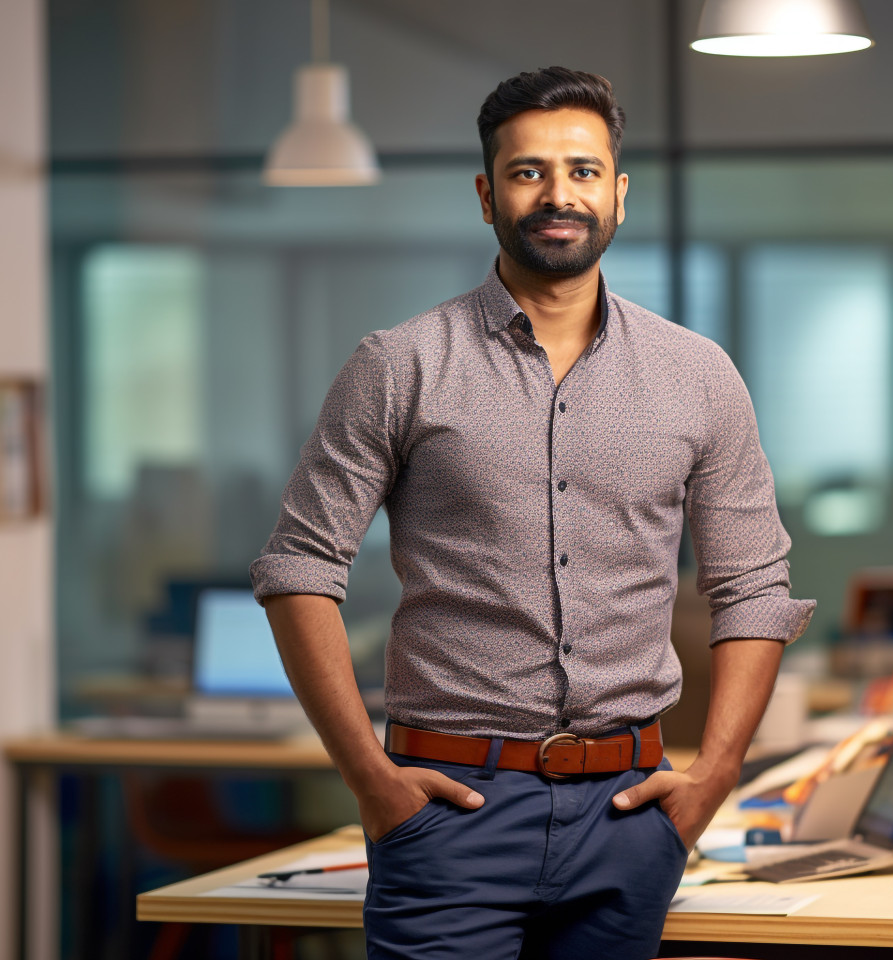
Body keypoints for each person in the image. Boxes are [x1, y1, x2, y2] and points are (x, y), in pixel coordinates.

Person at [251, 66, 815, 960]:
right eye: (528, 172)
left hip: (630, 817)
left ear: (619, 194)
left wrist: (714, 774)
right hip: (448, 811)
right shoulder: (399, 366)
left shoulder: (699, 376)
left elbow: (753, 584)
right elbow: (298, 571)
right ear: (487, 194)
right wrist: (369, 777)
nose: (559, 194)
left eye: (584, 171)